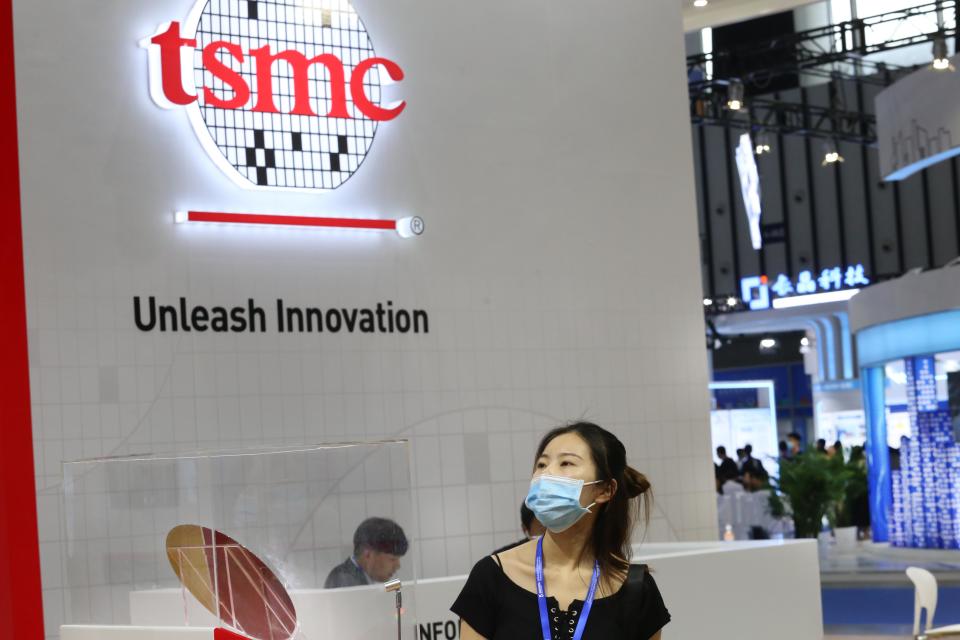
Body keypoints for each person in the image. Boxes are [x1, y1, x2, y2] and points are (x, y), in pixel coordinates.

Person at [452, 422, 670, 639]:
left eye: (566, 463)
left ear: (605, 490)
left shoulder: (635, 589)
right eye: (541, 464)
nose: (547, 474)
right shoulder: (492, 576)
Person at [324, 517, 409, 588]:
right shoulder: (346, 582)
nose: (398, 566)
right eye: (392, 559)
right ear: (368, 554)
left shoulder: (357, 576)